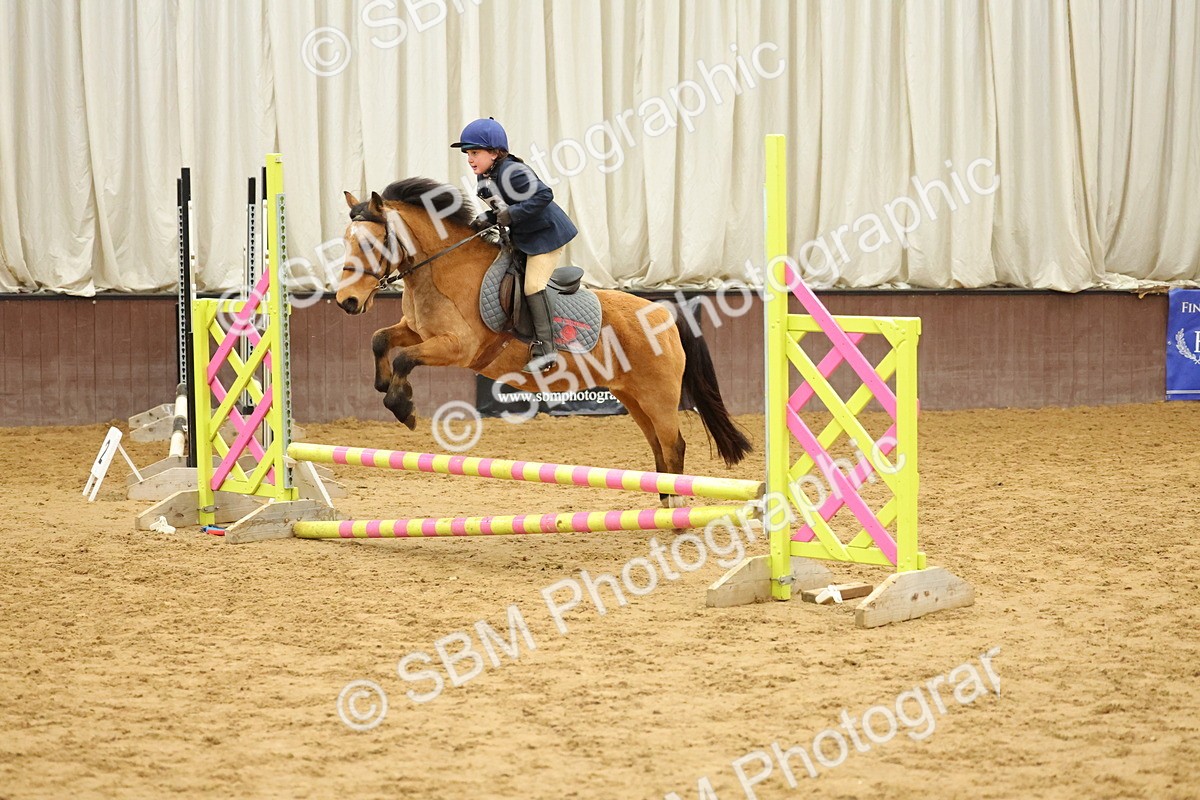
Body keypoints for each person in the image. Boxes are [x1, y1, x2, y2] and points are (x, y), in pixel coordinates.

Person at [451, 118, 578, 373]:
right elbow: (503, 210)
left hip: (546, 237)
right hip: (524, 236)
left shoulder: (512, 172)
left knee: (533, 286)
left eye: (475, 152)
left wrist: (512, 216)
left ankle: (546, 349)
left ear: (495, 152)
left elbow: (544, 195)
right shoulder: (485, 178)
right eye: (468, 154)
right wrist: (485, 219)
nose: (469, 159)